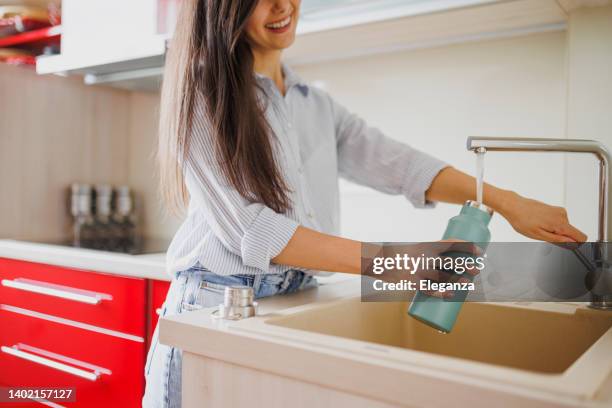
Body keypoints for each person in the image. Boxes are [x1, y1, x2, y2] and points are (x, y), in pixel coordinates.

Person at [142, 0, 587, 406]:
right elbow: (253, 229)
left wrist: (508, 202)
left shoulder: (313, 104)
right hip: (215, 302)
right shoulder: (202, 92)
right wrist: (397, 263)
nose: (283, 7)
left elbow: (399, 165)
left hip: (291, 297)